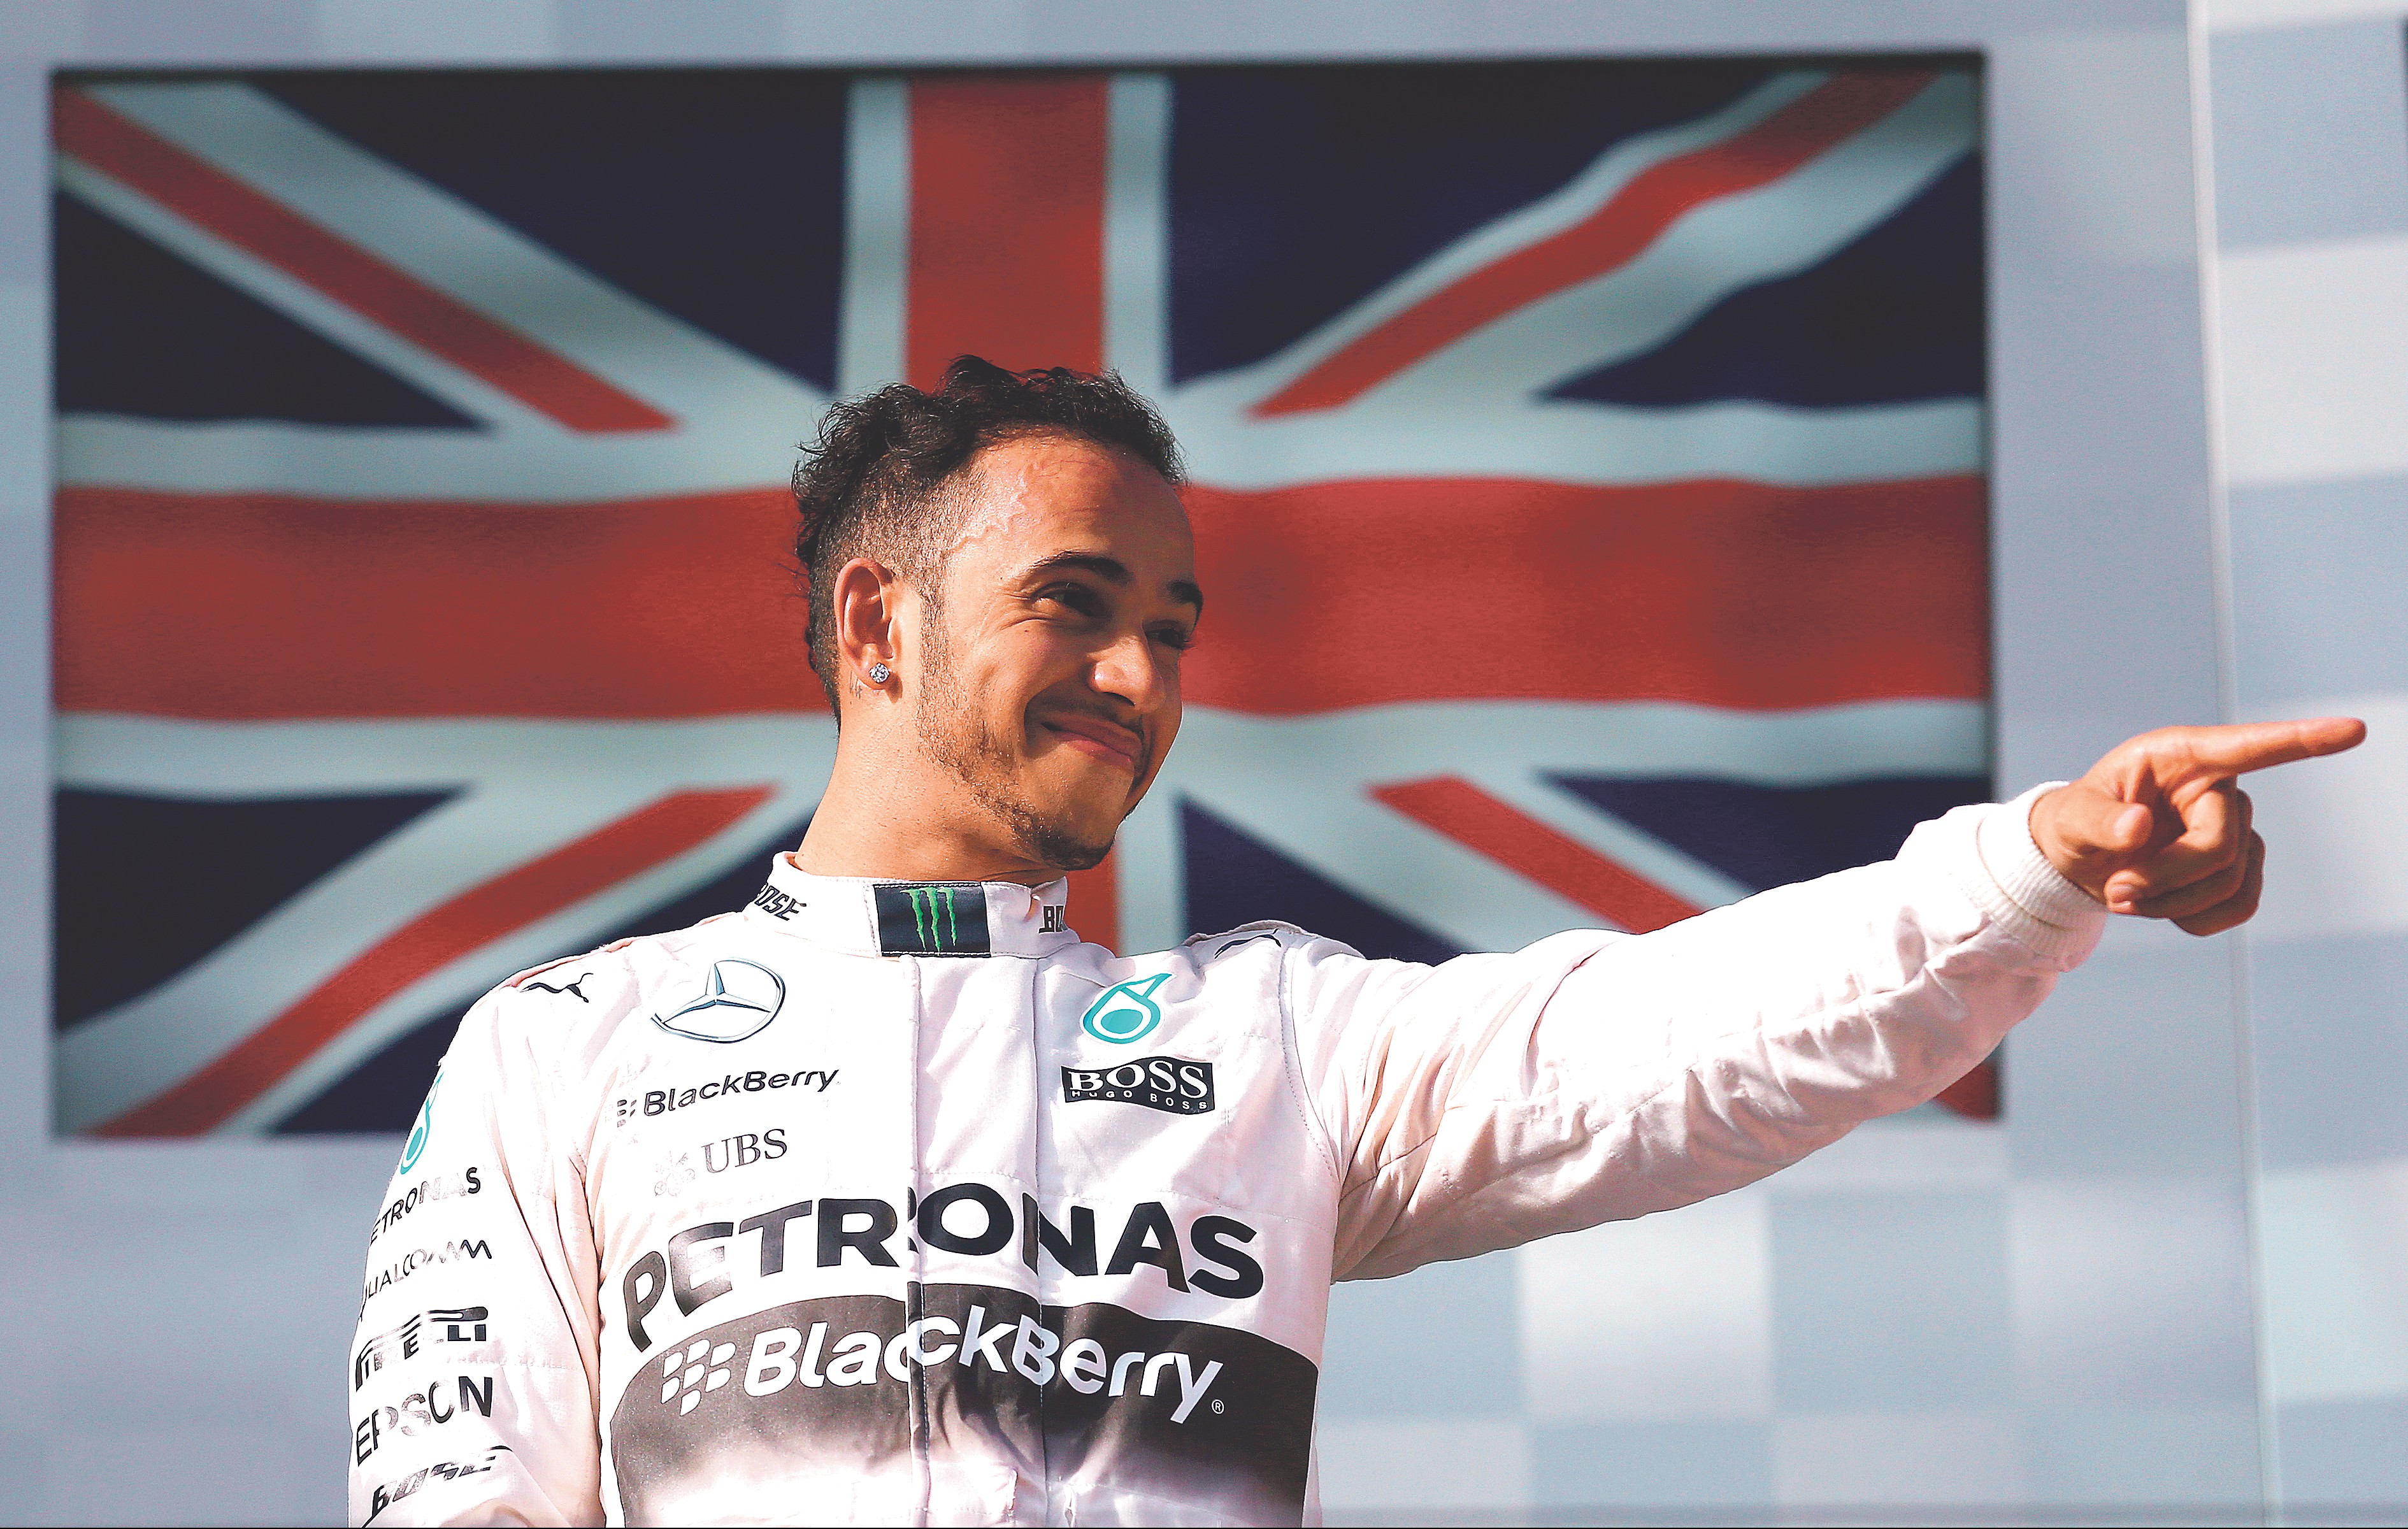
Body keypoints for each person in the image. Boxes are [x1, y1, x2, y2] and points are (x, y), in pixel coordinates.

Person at [346, 359, 2363, 1527]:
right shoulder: (563, 1044)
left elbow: (1671, 1044)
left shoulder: (1272, 1040)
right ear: (877, 624)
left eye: (1170, 628)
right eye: (1074, 604)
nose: (1139, 675)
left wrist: (2025, 868)